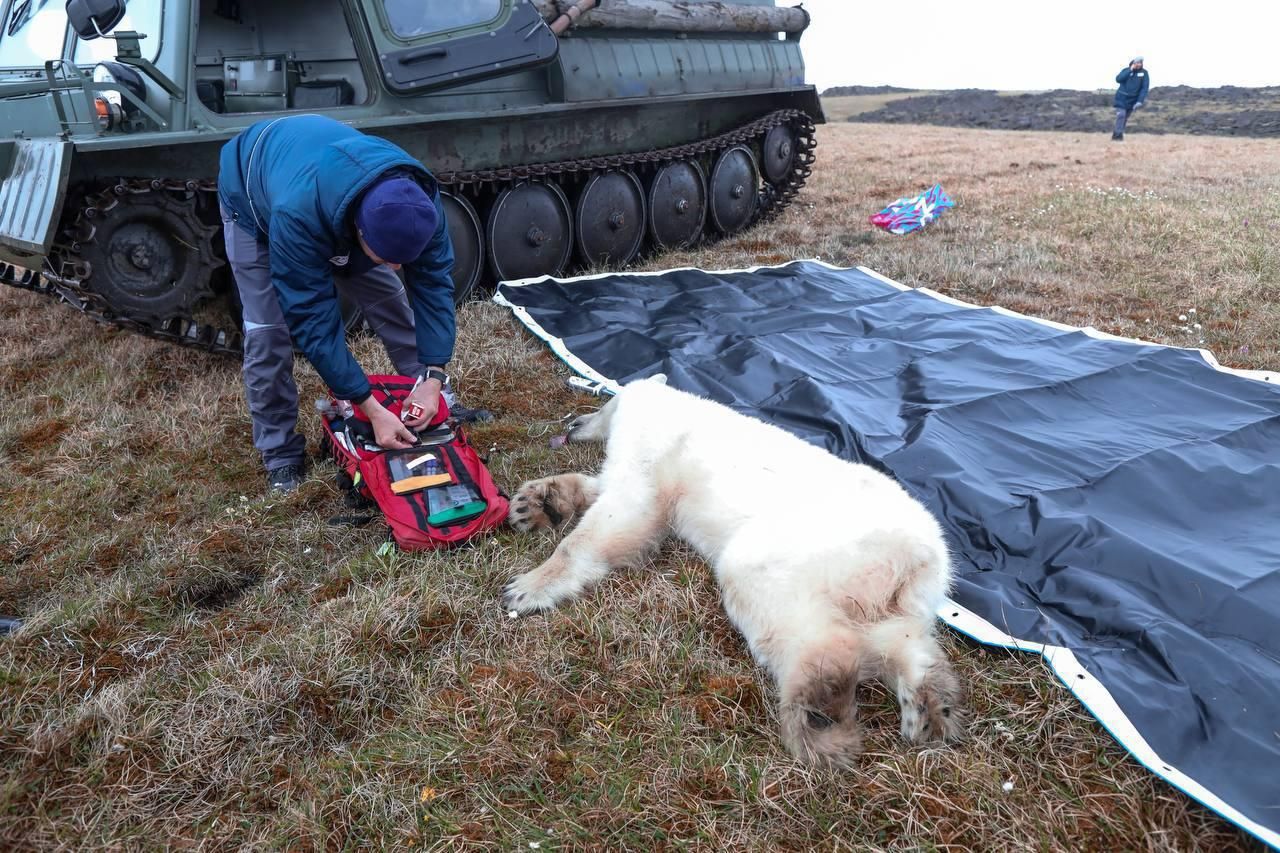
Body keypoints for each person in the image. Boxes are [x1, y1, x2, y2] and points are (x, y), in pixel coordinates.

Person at [217, 114, 455, 494]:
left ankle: (428, 402)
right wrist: (370, 408)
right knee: (269, 334)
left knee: (391, 299)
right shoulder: (296, 216)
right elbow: (313, 322)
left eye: (403, 259)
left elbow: (434, 286)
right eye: (387, 256)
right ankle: (280, 453)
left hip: (331, 189)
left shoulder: (418, 202)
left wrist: (434, 375)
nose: (396, 267)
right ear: (359, 230)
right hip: (254, 199)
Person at [1112, 56, 1150, 141]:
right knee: (1121, 115)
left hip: (1133, 100)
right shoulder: (1126, 70)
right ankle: (1118, 136)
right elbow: (1118, 79)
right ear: (1133, 63)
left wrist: (1140, 101)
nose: (1138, 64)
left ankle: (1117, 134)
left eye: (1140, 63)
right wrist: (1130, 70)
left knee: (1124, 118)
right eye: (1137, 63)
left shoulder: (1144, 73)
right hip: (1121, 98)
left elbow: (1144, 88)